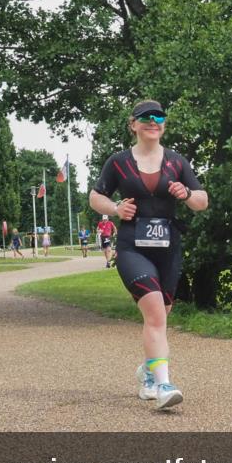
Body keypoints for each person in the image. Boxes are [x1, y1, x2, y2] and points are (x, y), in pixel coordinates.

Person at [89, 99, 207, 410]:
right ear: (133, 125)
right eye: (145, 118)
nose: (152, 122)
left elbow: (202, 201)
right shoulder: (118, 162)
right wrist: (115, 208)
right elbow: (95, 196)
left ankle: (147, 372)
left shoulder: (177, 162)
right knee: (155, 311)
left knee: (161, 315)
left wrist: (187, 194)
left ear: (164, 124)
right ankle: (164, 384)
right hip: (131, 247)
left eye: (158, 117)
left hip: (169, 248)